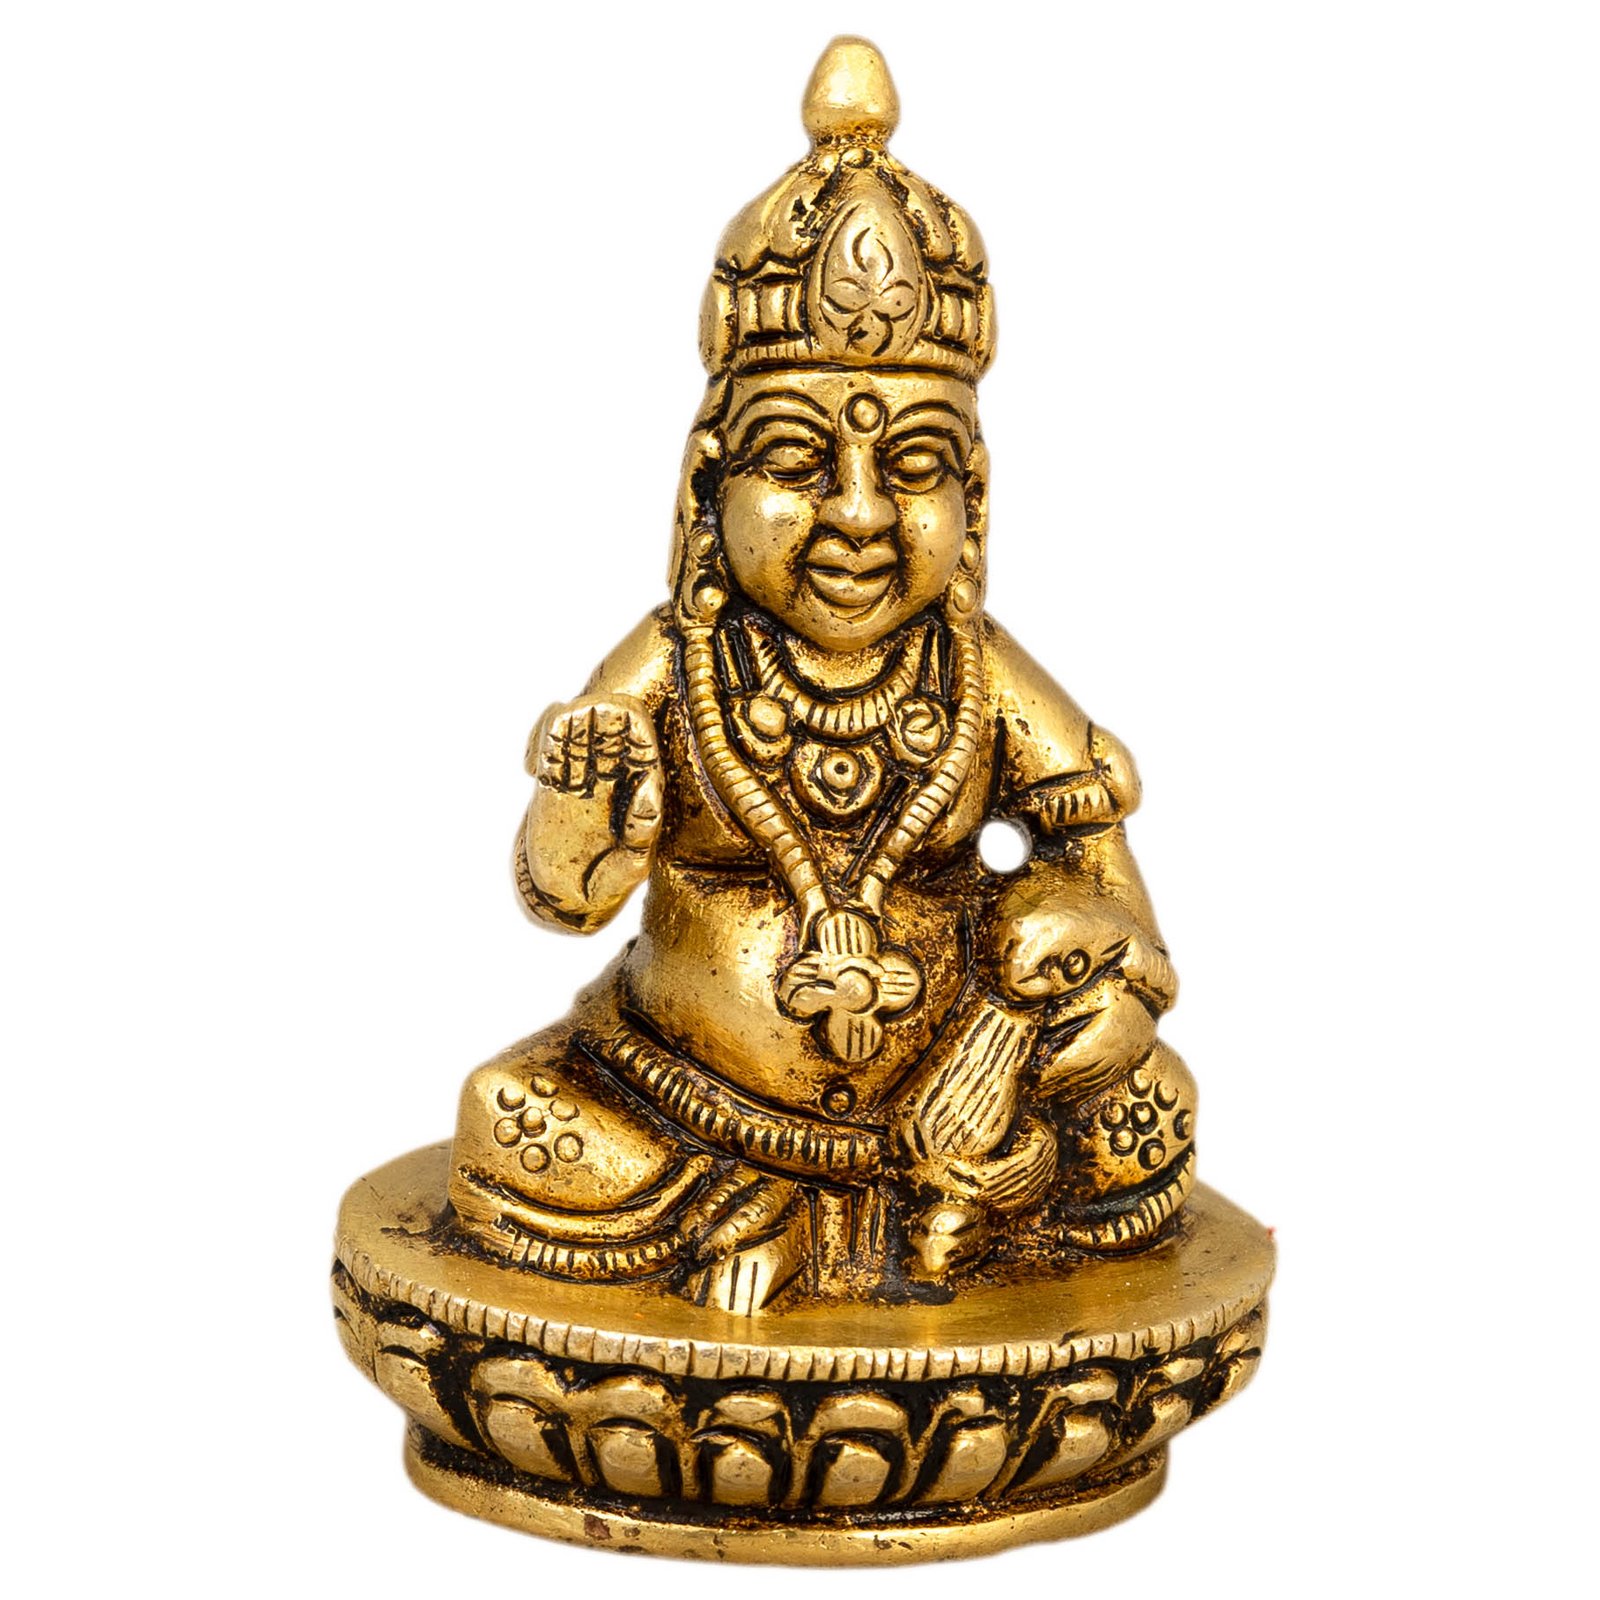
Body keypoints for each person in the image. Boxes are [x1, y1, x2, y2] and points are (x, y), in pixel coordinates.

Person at [447, 39, 1195, 1313]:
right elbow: (565, 896)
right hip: (688, 1106)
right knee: (507, 1117)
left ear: (973, 497)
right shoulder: (677, 662)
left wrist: (1106, 993)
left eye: (916, 468)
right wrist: (585, 808)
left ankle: (874, 1215)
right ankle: (797, 1215)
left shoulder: (982, 672)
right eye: (797, 463)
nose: (858, 513)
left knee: (1148, 1115)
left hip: (949, 1106)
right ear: (710, 486)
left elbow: (1111, 890)